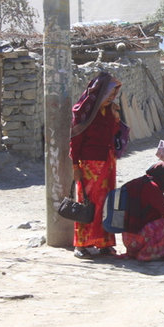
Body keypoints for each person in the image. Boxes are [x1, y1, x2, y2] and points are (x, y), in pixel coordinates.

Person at [69, 72, 123, 259]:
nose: (111, 98)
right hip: (89, 166)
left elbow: (113, 134)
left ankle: (105, 243)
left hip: (108, 163)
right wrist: (75, 166)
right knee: (88, 203)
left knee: (107, 203)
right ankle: (82, 244)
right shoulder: (83, 112)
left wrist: (116, 118)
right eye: (109, 94)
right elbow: (75, 141)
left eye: (113, 94)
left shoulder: (109, 111)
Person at [121, 162, 164, 261]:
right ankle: (151, 252)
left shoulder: (135, 182)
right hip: (138, 239)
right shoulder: (151, 187)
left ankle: (140, 250)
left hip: (127, 239)